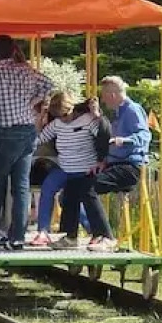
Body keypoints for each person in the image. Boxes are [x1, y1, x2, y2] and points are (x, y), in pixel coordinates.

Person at [0, 35, 55, 250]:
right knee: (21, 186)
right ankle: (17, 236)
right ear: (13, 50)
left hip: (5, 132)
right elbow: (49, 83)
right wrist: (32, 102)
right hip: (27, 131)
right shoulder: (26, 69)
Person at [33, 93, 115, 250]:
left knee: (72, 197)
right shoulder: (57, 124)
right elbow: (38, 139)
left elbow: (104, 135)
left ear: (72, 109)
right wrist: (41, 117)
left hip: (84, 169)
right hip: (65, 168)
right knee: (48, 187)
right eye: (58, 116)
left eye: (65, 115)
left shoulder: (87, 121)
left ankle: (93, 230)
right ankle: (43, 230)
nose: (63, 119)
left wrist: (97, 115)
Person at [92, 76, 151, 201]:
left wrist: (124, 140)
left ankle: (93, 221)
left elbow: (144, 135)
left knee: (87, 187)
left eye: (103, 95)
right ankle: (85, 220)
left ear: (112, 95)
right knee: (75, 186)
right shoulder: (118, 113)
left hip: (129, 166)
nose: (102, 100)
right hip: (114, 164)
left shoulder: (132, 110)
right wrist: (104, 160)